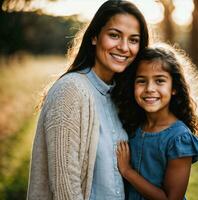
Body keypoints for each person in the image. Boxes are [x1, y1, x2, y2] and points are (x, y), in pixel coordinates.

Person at [27, 0, 149, 199]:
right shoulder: (71, 90)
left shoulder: (118, 95)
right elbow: (65, 188)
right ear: (94, 37)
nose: (124, 47)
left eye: (134, 40)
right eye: (114, 35)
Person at [115, 43, 198, 200]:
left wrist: (127, 171)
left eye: (159, 81)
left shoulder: (179, 139)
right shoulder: (133, 125)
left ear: (174, 87)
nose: (150, 88)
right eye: (141, 81)